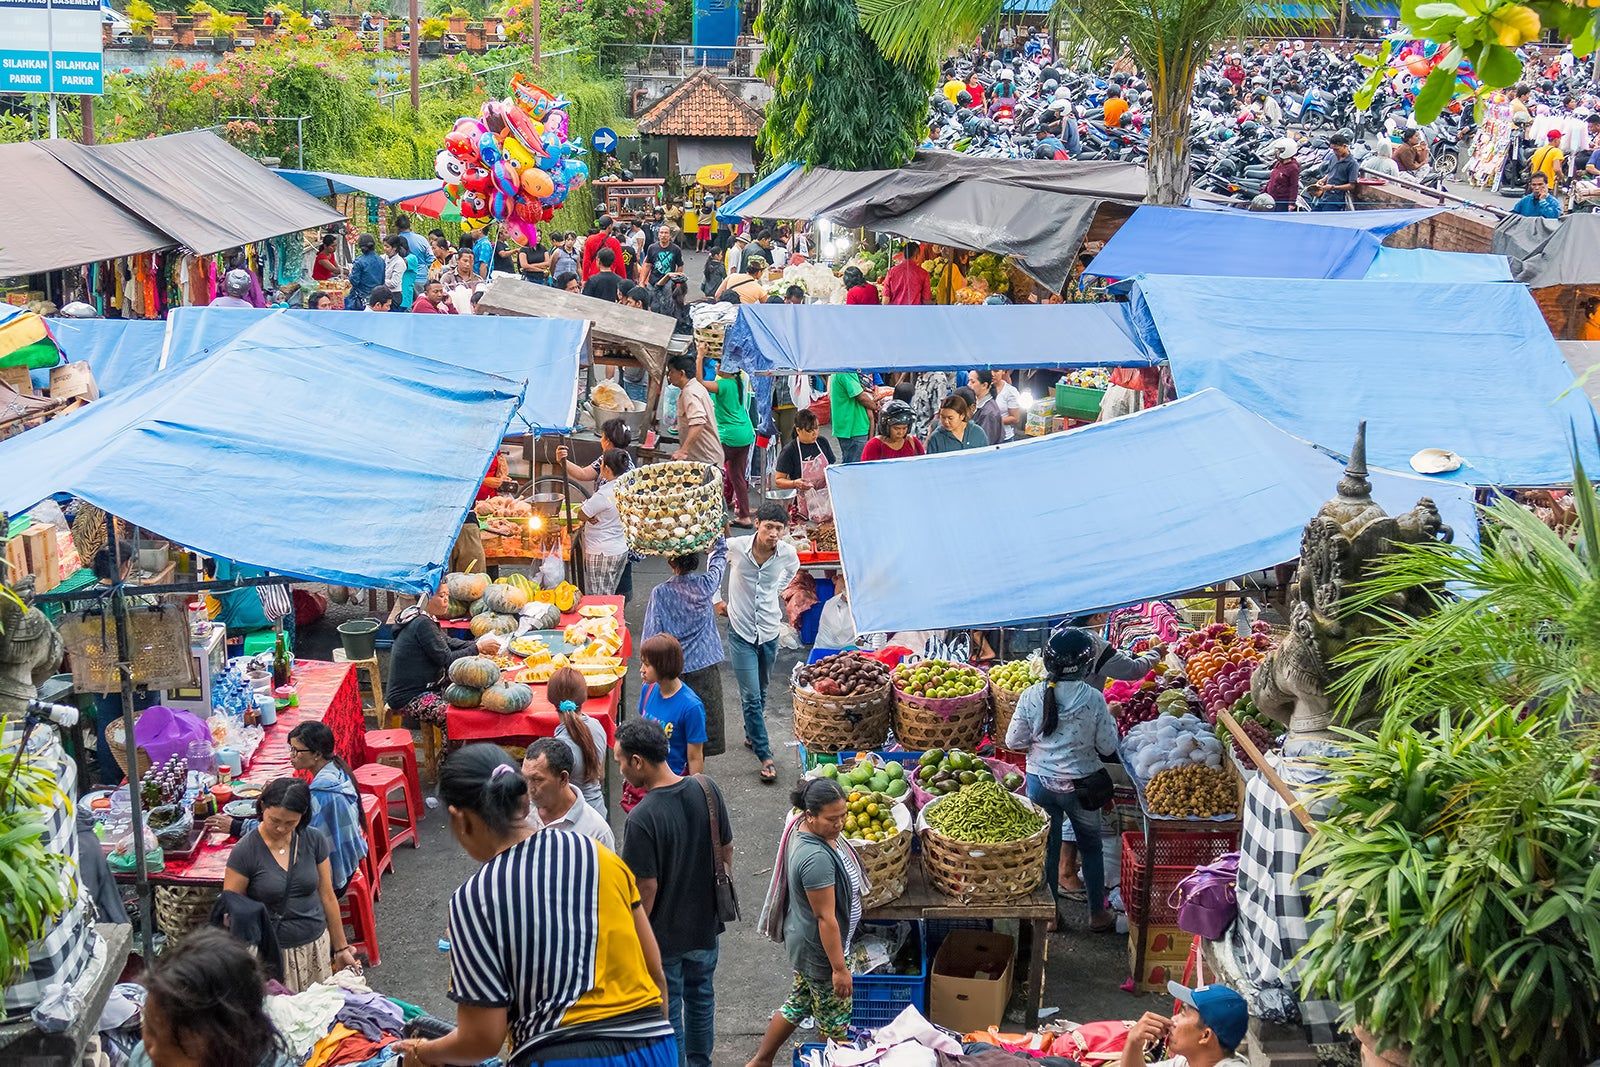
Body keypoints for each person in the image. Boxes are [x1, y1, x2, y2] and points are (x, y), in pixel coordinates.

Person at [393, 745, 676, 1067]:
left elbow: (482, 1039)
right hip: (653, 1043)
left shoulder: (474, 899)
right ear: (525, 800)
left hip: (560, 1055)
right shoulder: (597, 854)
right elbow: (655, 971)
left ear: (460, 819)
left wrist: (422, 1052)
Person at [616, 719, 732, 1067]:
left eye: (621, 761)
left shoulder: (642, 818)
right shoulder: (706, 789)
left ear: (638, 761)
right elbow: (726, 849)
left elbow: (645, 888)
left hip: (664, 937)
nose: (621, 771)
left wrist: (635, 935)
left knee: (670, 1009)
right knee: (702, 1000)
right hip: (706, 926)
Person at [1005, 626, 1119, 930]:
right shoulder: (1093, 698)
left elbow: (1013, 740)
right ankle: (1097, 915)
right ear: (1086, 666)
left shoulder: (1031, 695)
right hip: (1083, 788)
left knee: (1048, 849)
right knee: (1091, 848)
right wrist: (1111, 719)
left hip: (1040, 784)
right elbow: (1108, 747)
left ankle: (1051, 917)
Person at [745, 778, 863, 1065]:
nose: (840, 824)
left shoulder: (802, 827)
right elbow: (825, 918)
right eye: (832, 819)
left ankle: (760, 1061)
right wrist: (839, 969)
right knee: (835, 1028)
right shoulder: (816, 859)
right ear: (810, 815)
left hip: (806, 944)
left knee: (798, 1003)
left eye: (843, 815)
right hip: (822, 953)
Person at [222, 778, 358, 990]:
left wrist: (341, 949)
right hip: (272, 954)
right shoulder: (245, 851)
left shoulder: (314, 840)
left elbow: (327, 896)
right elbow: (232, 910)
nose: (280, 828)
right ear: (262, 807)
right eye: (274, 820)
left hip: (315, 947)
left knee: (316, 1007)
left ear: (303, 816)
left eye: (290, 823)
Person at [209, 722, 368, 896]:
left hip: (332, 879)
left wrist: (236, 826)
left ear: (317, 754)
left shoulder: (321, 794)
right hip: (347, 862)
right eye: (291, 749)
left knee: (252, 880)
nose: (291, 755)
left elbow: (285, 834)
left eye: (296, 751)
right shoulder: (335, 772)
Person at [131, 928, 294, 1067]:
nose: (153, 1050)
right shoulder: (142, 1059)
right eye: (150, 1030)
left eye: (174, 1041)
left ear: (226, 1039)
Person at [724, 503, 798, 784]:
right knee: (751, 696)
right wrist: (716, 599)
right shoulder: (736, 547)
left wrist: (777, 589)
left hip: (768, 631)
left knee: (763, 688)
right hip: (740, 631)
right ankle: (765, 755)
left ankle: (751, 733)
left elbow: (792, 570)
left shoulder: (787, 553)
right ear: (757, 524)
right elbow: (714, 560)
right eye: (769, 527)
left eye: (779, 528)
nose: (773, 533)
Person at [642, 534, 728, 759]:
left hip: (672, 673)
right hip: (704, 669)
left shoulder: (661, 593)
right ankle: (695, 775)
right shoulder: (706, 585)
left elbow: (651, 636)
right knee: (699, 738)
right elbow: (720, 557)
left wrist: (648, 668)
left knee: (673, 734)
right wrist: (715, 534)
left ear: (671, 561)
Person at [388, 580, 499, 728]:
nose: (446, 600)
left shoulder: (426, 618)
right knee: (453, 716)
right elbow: (447, 659)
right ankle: (454, 744)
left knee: (474, 689)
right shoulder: (421, 623)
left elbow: (448, 642)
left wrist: (478, 645)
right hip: (410, 696)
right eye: (441, 596)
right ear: (426, 598)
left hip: (430, 685)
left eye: (447, 595)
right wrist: (477, 648)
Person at [1119, 983, 1250, 1067]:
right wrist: (1134, 1042)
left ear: (1205, 1035)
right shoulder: (1187, 1061)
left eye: (1183, 1013)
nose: (1173, 1019)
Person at [636, 633, 708, 782]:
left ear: (663, 665)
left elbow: (695, 757)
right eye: (642, 663)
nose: (641, 669)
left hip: (674, 783)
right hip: (647, 779)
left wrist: (694, 790)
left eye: (647, 665)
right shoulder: (647, 689)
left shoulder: (691, 707)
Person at [522, 736, 614, 848]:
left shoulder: (596, 832)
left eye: (537, 780)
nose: (529, 788)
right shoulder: (519, 816)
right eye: (525, 778)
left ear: (563, 778)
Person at [541, 666, 608, 816]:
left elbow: (553, 794)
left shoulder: (561, 747)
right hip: (598, 812)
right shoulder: (597, 726)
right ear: (584, 696)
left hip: (574, 819)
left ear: (551, 699)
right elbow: (601, 775)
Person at [701, 355, 756, 526]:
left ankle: (709, 513)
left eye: (719, 364)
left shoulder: (724, 384)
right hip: (745, 434)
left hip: (729, 436)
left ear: (727, 369)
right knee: (737, 476)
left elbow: (699, 382)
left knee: (709, 471)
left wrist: (700, 356)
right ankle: (744, 516)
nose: (716, 366)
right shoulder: (737, 381)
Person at [578, 448, 632, 597]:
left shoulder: (604, 494)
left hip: (601, 552)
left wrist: (588, 516)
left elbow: (581, 514)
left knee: (600, 599)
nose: (600, 467)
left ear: (607, 469)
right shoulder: (626, 487)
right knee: (609, 594)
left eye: (601, 464)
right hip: (619, 548)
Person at [773, 409, 835, 519]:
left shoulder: (822, 442)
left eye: (816, 428)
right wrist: (795, 483)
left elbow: (831, 467)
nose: (814, 433)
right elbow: (779, 480)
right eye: (809, 430)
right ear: (798, 430)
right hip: (802, 504)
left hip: (825, 500)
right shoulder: (789, 451)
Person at [668, 354, 726, 467]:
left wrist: (683, 451)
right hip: (705, 458)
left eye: (672, 371)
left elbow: (698, 423)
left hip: (706, 460)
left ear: (681, 373)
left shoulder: (690, 392)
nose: (669, 375)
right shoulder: (694, 387)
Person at [556, 418, 634, 489]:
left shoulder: (622, 466)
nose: (601, 440)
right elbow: (584, 474)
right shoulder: (608, 457)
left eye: (602, 437)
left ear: (607, 442)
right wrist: (563, 461)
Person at [827, 370, 878, 464]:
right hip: (854, 428)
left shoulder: (840, 371)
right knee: (855, 466)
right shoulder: (846, 372)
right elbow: (861, 397)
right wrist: (876, 407)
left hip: (847, 426)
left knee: (850, 463)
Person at [859, 399, 924, 461]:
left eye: (904, 428)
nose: (901, 433)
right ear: (886, 427)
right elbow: (867, 467)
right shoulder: (874, 445)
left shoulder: (912, 442)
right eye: (896, 428)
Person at [1310, 133, 1359, 211]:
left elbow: (1352, 185)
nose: (1335, 152)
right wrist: (1323, 179)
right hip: (1325, 197)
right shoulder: (1333, 157)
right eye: (1333, 149)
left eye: (1337, 149)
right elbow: (1330, 172)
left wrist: (1333, 187)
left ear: (1345, 146)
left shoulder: (1352, 163)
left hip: (1336, 200)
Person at [582, 215, 627, 282]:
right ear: (610, 226)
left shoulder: (590, 239)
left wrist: (585, 279)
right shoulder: (615, 242)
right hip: (610, 278)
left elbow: (586, 261)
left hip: (593, 277)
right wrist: (623, 280)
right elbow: (619, 264)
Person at [346, 233, 385, 309]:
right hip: (377, 297)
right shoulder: (381, 260)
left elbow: (354, 281)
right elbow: (382, 280)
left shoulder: (359, 262)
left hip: (362, 297)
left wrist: (350, 274)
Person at [969, 371, 1007, 446]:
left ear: (984, 385)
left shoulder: (988, 412)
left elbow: (985, 442)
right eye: (969, 381)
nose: (969, 385)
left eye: (972, 382)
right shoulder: (978, 403)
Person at [384, 234, 420, 310]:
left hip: (404, 296)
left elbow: (401, 263)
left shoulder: (411, 258)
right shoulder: (389, 258)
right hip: (391, 296)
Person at [1264, 138, 1300, 211]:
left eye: (1280, 151)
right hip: (1271, 198)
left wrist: (1291, 203)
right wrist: (1264, 192)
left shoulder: (1293, 168)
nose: (1277, 153)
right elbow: (1272, 180)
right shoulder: (1279, 163)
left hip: (1281, 201)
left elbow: (1294, 186)